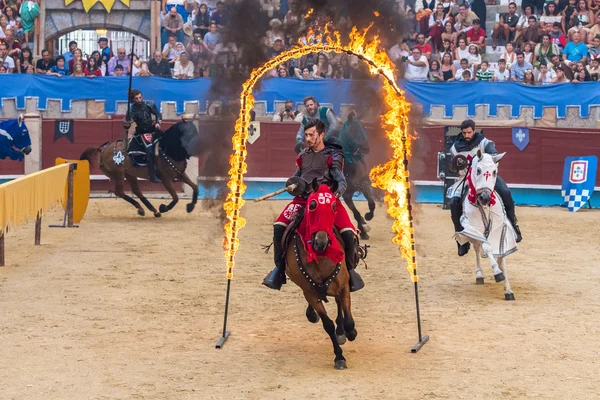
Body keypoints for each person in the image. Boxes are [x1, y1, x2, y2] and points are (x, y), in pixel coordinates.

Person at [262, 119, 365, 292]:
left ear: (321, 135)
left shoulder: (333, 155)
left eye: (311, 135)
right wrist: (293, 185)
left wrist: (333, 197)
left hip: (327, 201)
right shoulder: (303, 155)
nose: (307, 138)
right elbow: (297, 177)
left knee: (347, 233)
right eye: (306, 135)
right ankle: (279, 270)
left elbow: (341, 182)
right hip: (303, 201)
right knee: (279, 226)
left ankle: (350, 272)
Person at [448, 119, 523, 256]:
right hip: (465, 179)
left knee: (506, 193)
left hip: (485, 178)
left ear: (474, 130)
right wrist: (456, 165)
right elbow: (453, 168)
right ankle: (461, 241)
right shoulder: (455, 148)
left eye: (469, 132)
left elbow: (494, 156)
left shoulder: (485, 143)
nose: (466, 135)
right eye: (464, 133)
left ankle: (514, 225)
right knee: (453, 203)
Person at [128, 89, 163, 183]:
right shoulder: (132, 110)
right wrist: (127, 120)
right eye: (136, 98)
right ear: (133, 99)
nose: (139, 100)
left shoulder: (148, 104)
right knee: (150, 151)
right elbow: (129, 122)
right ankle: (152, 175)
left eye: (140, 97)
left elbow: (157, 113)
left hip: (153, 129)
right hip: (142, 133)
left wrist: (158, 122)